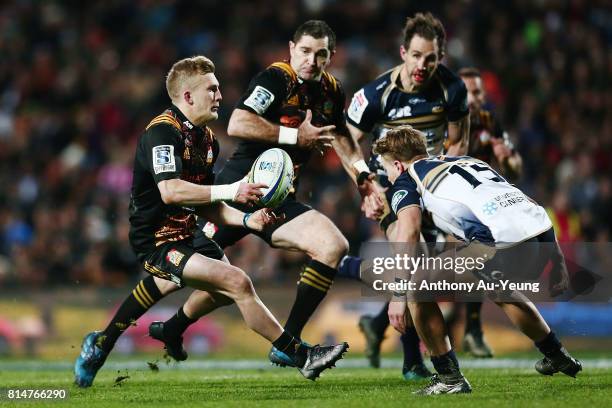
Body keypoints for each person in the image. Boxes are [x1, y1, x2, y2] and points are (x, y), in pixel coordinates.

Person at [73, 56, 348, 388]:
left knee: (219, 291)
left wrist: (249, 218)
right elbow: (172, 191)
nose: (220, 95)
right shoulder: (163, 132)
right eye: (212, 89)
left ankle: (104, 343)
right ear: (188, 96)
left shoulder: (207, 140)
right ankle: (300, 355)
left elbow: (209, 206)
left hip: (187, 230)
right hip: (158, 241)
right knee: (237, 281)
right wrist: (232, 188)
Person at [147, 20, 369, 368]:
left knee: (332, 246)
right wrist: (295, 137)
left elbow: (341, 136)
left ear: (331, 56)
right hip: (238, 192)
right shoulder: (275, 79)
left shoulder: (331, 90)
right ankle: (130, 332)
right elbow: (237, 123)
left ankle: (288, 343)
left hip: (280, 197)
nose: (312, 60)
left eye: (321, 54)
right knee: (180, 278)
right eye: (305, 51)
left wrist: (363, 176)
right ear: (292, 49)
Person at [373, 125, 580, 395]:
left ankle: (450, 379)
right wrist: (557, 258)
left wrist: (398, 294)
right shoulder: (469, 160)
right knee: (501, 290)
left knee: (417, 287)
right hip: (538, 240)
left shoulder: (406, 179)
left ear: (398, 165)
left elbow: (409, 230)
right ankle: (557, 355)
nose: (388, 176)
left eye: (387, 169)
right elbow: (528, 203)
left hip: (496, 244)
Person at [339, 12, 469, 379]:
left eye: (430, 58)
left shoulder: (452, 89)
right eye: (415, 55)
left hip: (433, 186)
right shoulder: (374, 94)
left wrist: (444, 189)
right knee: (410, 253)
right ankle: (413, 361)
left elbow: (458, 142)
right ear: (403, 52)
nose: (422, 65)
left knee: (429, 271)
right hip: (391, 187)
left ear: (440, 57)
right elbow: (346, 141)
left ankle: (349, 276)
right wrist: (366, 183)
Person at [449, 67, 524, 358]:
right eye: (469, 90)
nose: (476, 97)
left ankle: (472, 331)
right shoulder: (448, 121)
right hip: (447, 205)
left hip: (478, 207)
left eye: (479, 91)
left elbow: (515, 167)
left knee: (472, 264)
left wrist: (509, 157)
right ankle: (469, 331)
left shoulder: (490, 121)